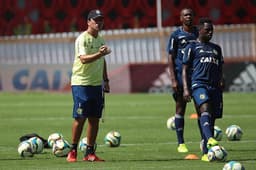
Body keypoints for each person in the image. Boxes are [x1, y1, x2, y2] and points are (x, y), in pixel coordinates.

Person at [66, 9, 111, 162]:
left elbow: (102, 61)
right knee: (80, 117)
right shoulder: (82, 39)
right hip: (81, 83)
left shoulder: (101, 39)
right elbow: (84, 59)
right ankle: (72, 151)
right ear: (88, 22)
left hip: (96, 84)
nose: (99, 23)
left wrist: (106, 80)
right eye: (96, 20)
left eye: (101, 20)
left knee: (94, 118)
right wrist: (100, 54)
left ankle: (89, 153)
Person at [182, 18, 225, 161]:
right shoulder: (192, 47)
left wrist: (221, 80)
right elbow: (184, 69)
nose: (210, 32)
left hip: (214, 87)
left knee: (210, 118)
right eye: (207, 30)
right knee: (204, 109)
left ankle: (206, 153)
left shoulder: (216, 48)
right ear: (199, 30)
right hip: (198, 84)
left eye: (212, 30)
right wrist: (186, 89)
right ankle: (211, 139)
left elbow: (220, 67)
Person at [166, 8, 198, 153]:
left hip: (197, 75)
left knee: (201, 107)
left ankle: (205, 140)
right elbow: (170, 57)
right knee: (180, 107)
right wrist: (173, 79)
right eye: (185, 15)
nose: (188, 17)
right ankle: (181, 143)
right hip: (181, 76)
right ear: (180, 18)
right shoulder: (176, 35)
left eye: (190, 14)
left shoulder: (199, 32)